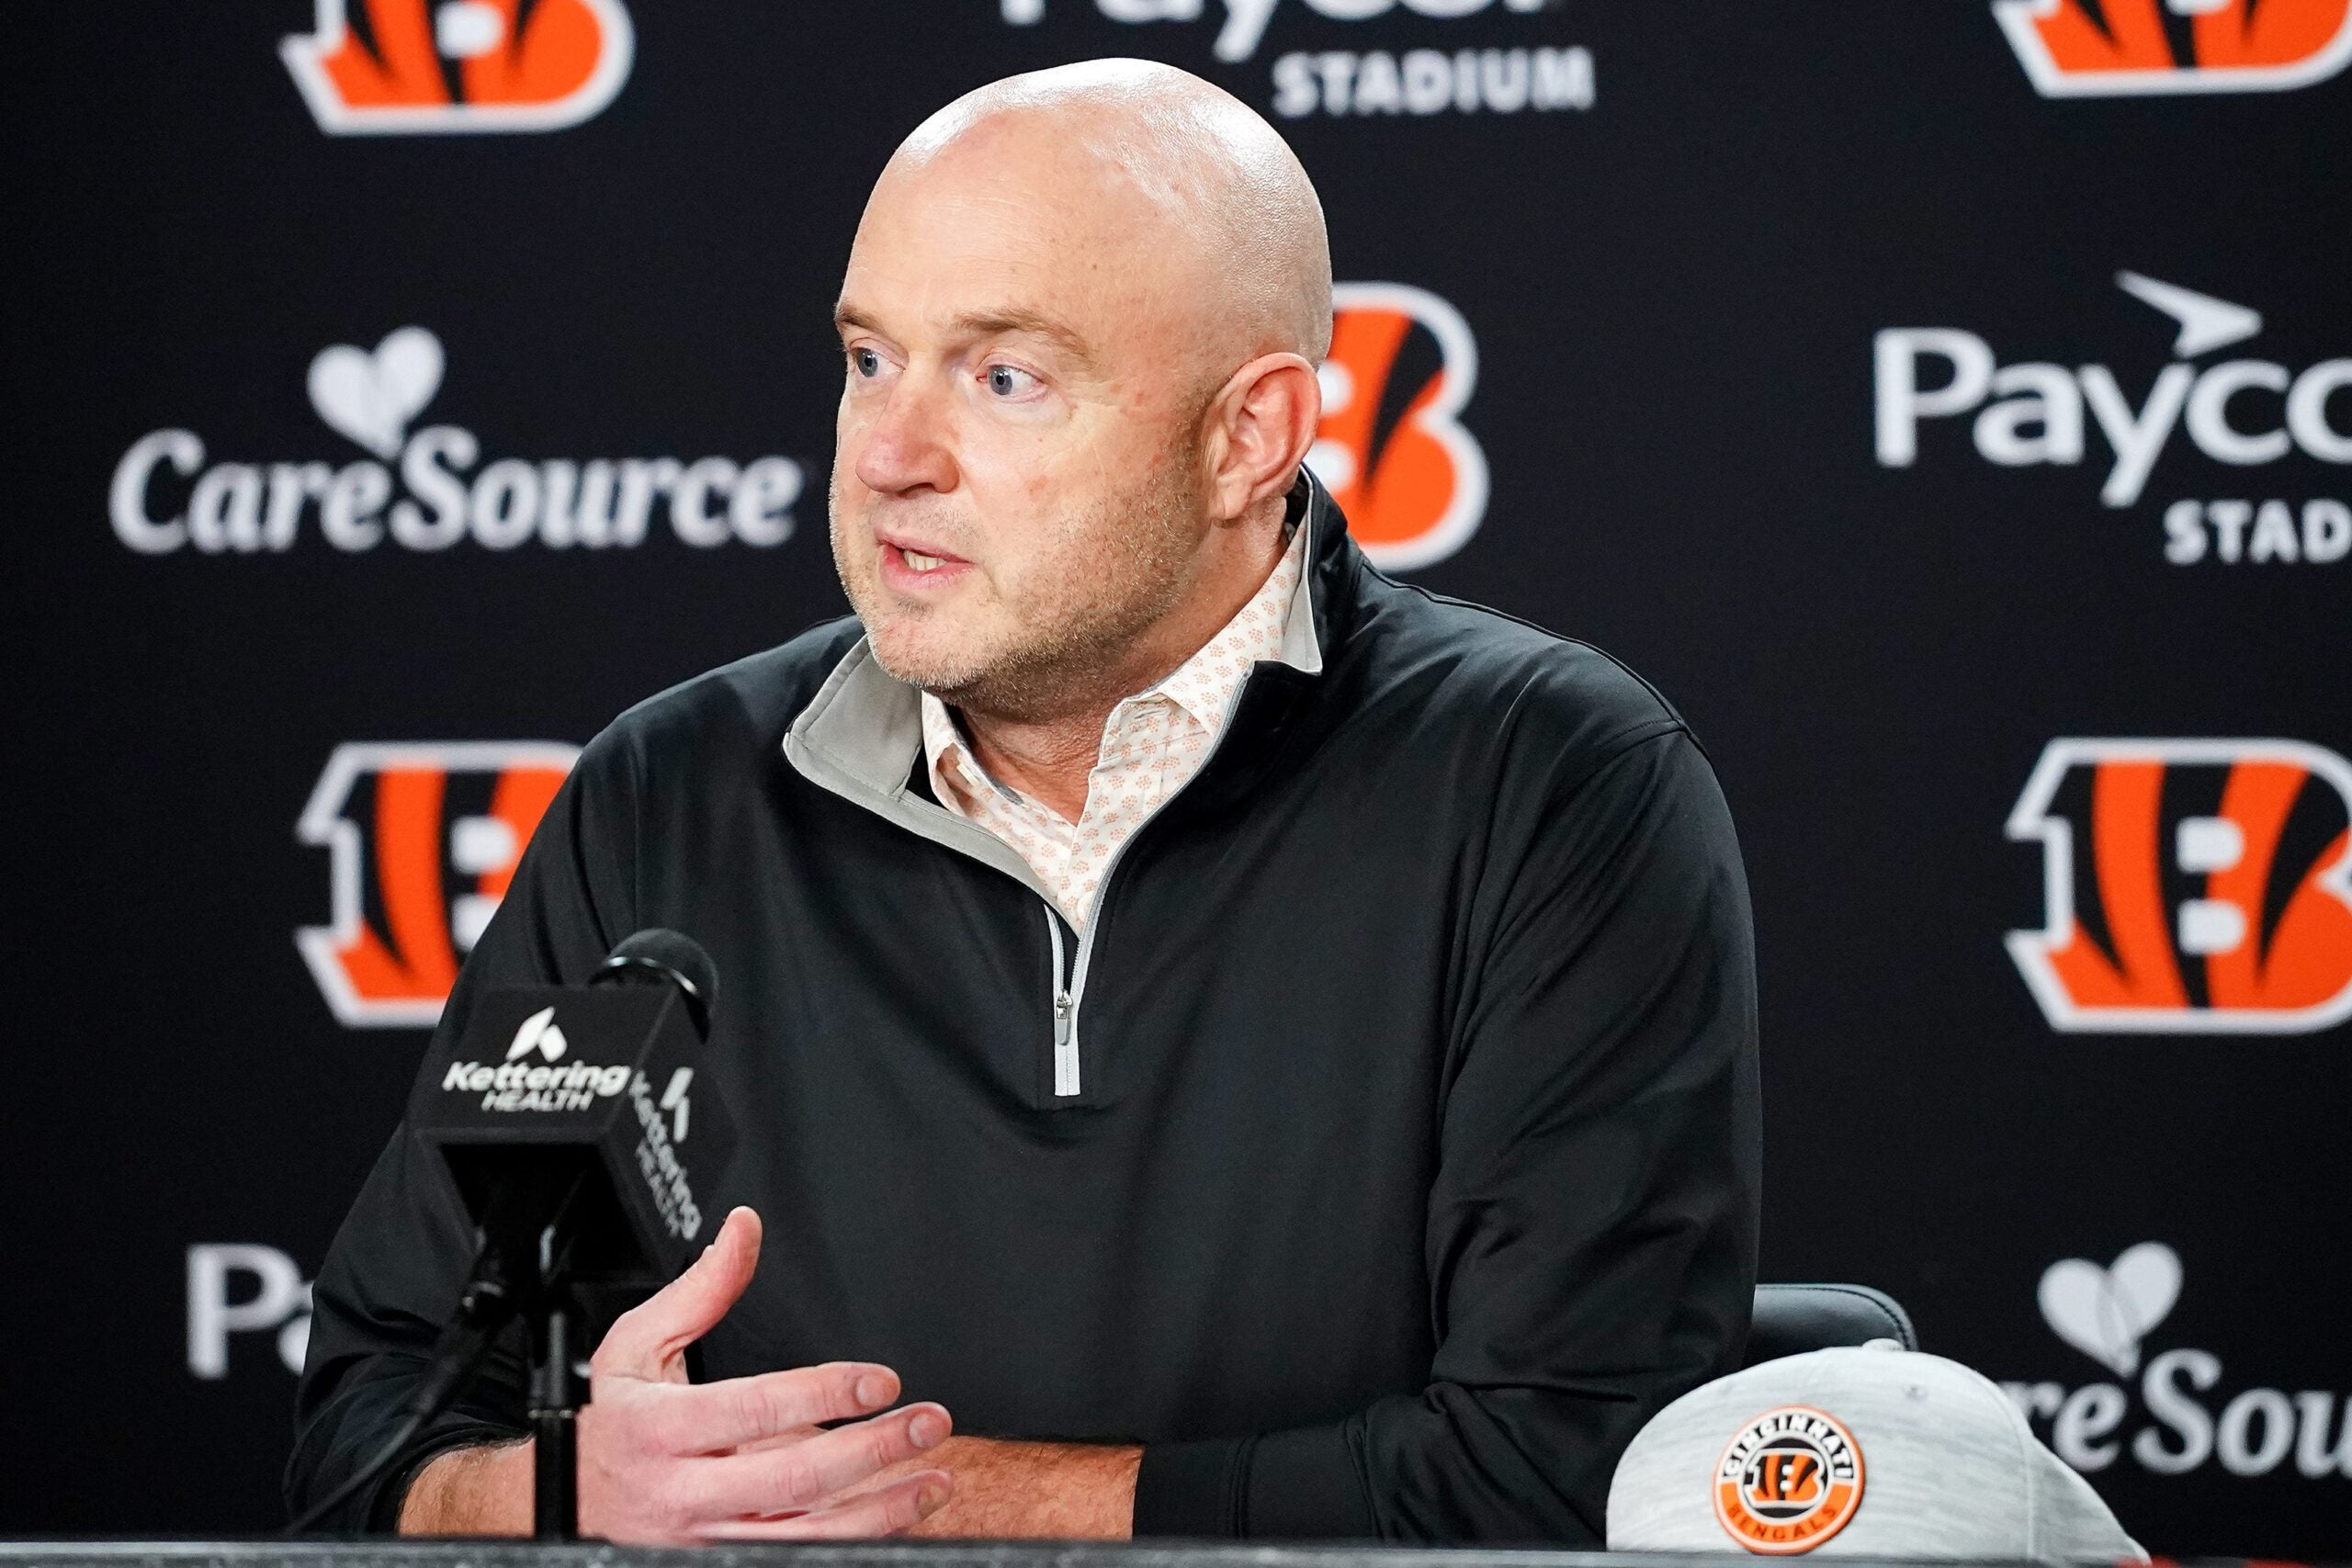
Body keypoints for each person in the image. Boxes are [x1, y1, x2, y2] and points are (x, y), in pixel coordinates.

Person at [288, 57, 1760, 1544]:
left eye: (1006, 378)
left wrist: (899, 1506)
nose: (890, 458)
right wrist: (557, 1488)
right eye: (871, 360)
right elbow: (368, 1434)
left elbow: (1572, 1483)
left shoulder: (1552, 785)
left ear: (1249, 436)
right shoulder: (661, 803)